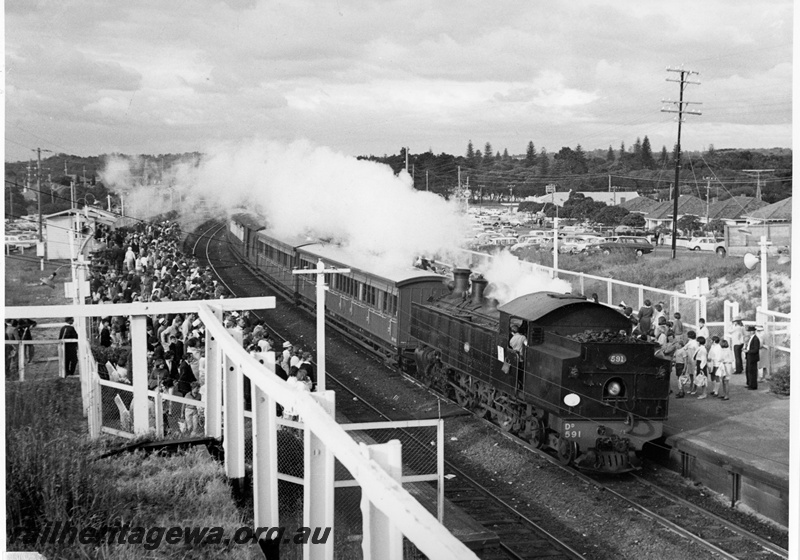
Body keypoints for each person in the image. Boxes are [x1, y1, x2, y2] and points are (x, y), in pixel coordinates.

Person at [744, 325, 761, 390]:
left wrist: (748, 351)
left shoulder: (756, 339)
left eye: (750, 331)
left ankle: (753, 385)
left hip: (753, 357)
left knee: (752, 371)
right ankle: (750, 383)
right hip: (749, 356)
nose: (749, 332)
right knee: (748, 370)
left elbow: (756, 349)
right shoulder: (751, 338)